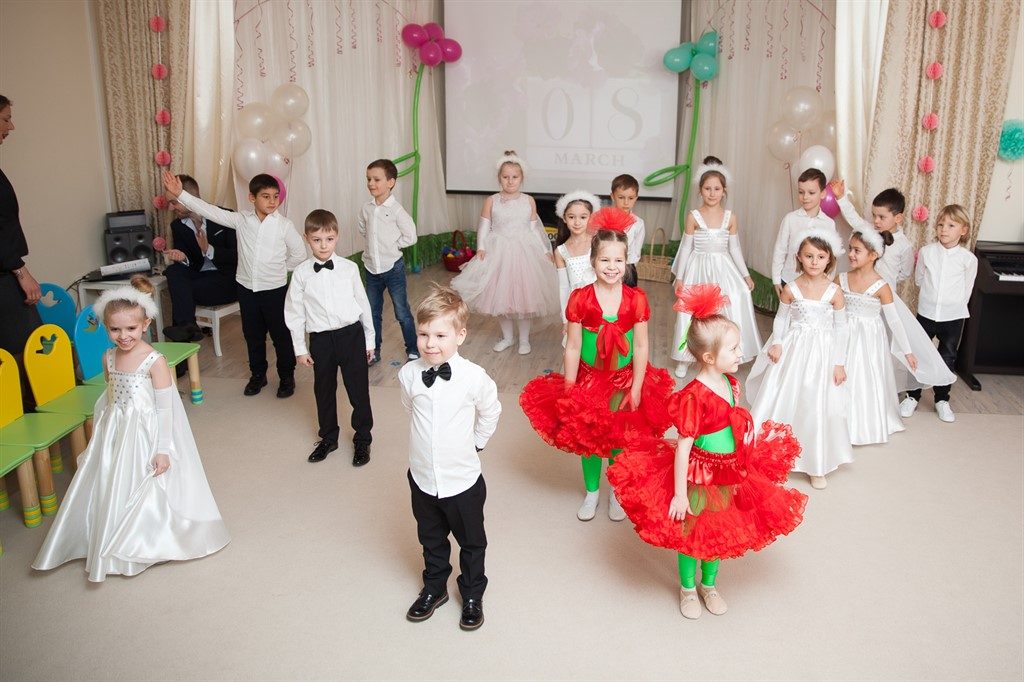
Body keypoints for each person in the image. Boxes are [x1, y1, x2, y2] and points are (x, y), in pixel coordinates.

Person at [609, 284, 807, 619]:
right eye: (733, 348)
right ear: (709, 358)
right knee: (692, 532)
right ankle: (688, 588)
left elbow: (733, 425)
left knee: (718, 529)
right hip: (698, 475)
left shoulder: (731, 383)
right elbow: (683, 448)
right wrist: (679, 494)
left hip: (728, 469)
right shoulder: (693, 396)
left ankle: (709, 584)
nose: (741, 353)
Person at [32, 275, 229, 582]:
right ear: (106, 327)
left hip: (145, 432)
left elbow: (165, 407)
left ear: (145, 324)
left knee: (146, 483)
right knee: (112, 479)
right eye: (115, 329)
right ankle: (107, 531)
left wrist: (163, 448)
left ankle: (146, 539)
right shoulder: (108, 357)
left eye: (131, 329)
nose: (123, 336)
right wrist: (103, 432)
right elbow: (110, 395)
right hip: (117, 430)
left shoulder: (154, 361)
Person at [520, 227, 674, 522]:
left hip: (624, 380)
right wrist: (569, 384)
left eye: (618, 260)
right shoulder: (580, 298)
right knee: (589, 439)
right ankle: (592, 492)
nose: (611, 267)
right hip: (589, 380)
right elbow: (574, 345)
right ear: (593, 261)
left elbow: (641, 346)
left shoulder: (636, 299)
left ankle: (615, 492)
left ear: (627, 262)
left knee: (619, 438)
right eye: (605, 260)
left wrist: (637, 387)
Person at [399, 285, 501, 631]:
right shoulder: (409, 374)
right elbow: (410, 408)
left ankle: (471, 594)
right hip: (422, 478)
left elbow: (491, 410)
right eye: (424, 334)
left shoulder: (473, 377)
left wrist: (477, 444)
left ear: (460, 335)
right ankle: (434, 587)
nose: (430, 343)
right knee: (430, 539)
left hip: (462, 482)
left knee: (472, 543)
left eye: (440, 335)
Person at [163, 170, 305, 398]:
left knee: (281, 336)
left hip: (275, 290)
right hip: (247, 289)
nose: (272, 201)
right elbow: (208, 210)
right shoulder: (241, 220)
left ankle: (287, 376)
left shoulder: (284, 226)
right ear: (252, 198)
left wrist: (278, 270)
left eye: (275, 196)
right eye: (266, 196)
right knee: (253, 335)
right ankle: (258, 375)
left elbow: (299, 254)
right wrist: (181, 195)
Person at [746, 229, 852, 489]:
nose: (814, 262)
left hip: (823, 353)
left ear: (829, 260)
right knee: (786, 395)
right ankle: (772, 453)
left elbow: (841, 329)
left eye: (820, 257)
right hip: (794, 349)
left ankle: (816, 463)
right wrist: (778, 343)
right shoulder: (791, 289)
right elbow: (781, 319)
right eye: (809, 256)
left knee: (816, 402)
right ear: (799, 257)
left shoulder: (835, 292)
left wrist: (839, 362)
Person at [839, 229, 957, 445]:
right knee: (842, 374)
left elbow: (894, 321)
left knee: (864, 376)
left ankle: (863, 422)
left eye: (857, 250)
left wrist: (908, 351)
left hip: (868, 340)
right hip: (843, 335)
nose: (851, 254)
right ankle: (838, 421)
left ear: (873, 255)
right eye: (850, 249)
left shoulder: (881, 286)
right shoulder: (842, 279)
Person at [285, 210, 374, 466]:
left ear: (337, 237)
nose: (323, 245)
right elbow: (294, 312)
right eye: (317, 240)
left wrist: (369, 340)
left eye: (329, 239)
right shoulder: (301, 273)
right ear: (306, 239)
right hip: (321, 340)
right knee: (323, 390)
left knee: (358, 390)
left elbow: (363, 304)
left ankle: (363, 439)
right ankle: (328, 437)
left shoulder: (349, 268)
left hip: (351, 336)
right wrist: (300, 348)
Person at [451, 151, 558, 355]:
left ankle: (524, 340)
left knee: (525, 300)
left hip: (524, 252)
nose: (510, 181)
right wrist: (481, 247)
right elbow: (484, 225)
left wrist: (545, 250)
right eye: (505, 176)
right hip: (499, 251)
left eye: (514, 177)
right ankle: (508, 338)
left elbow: (534, 229)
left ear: (521, 178)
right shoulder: (492, 200)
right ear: (499, 178)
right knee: (501, 299)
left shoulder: (528, 200)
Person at [669, 156, 760, 378]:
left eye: (717, 189)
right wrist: (680, 277)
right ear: (700, 190)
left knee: (731, 301)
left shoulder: (730, 217)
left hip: (723, 267)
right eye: (707, 189)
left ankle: (726, 356)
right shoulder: (694, 216)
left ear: (724, 191)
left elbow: (734, 248)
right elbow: (686, 247)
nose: (712, 193)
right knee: (693, 311)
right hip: (698, 267)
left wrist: (745, 275)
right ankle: (686, 356)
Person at [900, 205, 978, 423]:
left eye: (951, 225)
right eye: (941, 224)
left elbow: (967, 290)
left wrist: (952, 306)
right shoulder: (927, 252)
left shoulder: (968, 259)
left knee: (947, 356)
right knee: (918, 353)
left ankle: (942, 399)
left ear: (963, 230)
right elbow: (919, 279)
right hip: (926, 313)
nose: (944, 229)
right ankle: (912, 396)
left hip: (953, 317)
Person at [162, 174, 238, 343]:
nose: (171, 208)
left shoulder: (224, 216)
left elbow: (238, 256)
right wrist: (183, 257)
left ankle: (184, 336)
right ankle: (187, 328)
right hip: (199, 279)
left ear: (189, 198)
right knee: (174, 271)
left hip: (226, 281)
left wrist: (208, 250)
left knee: (181, 292)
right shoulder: (177, 226)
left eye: (174, 202)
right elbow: (188, 262)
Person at [359, 158, 418, 365]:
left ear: (390, 182)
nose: (371, 183)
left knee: (402, 312)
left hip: (393, 269)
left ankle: (413, 349)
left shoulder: (397, 210)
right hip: (371, 269)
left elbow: (411, 236)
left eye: (376, 179)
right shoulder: (366, 208)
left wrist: (393, 246)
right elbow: (363, 229)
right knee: (372, 313)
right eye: (368, 179)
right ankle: (373, 351)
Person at [0, 94, 44, 371]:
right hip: (5, 272)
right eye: (6, 119)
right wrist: (20, 270)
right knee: (28, 349)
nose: (11, 127)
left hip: (7, 268)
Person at [831, 179, 913, 290]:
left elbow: (905, 273)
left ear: (897, 218)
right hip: (863, 289)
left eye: (882, 217)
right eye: (874, 215)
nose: (876, 221)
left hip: (886, 291)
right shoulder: (869, 231)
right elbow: (853, 217)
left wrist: (890, 279)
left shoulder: (904, 245)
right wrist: (840, 197)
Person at [770, 167, 839, 294]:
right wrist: (776, 279)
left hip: (816, 284)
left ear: (823, 193)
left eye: (811, 193)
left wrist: (828, 281)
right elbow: (780, 249)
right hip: (789, 279)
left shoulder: (829, 224)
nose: (805, 197)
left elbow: (832, 255)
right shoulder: (790, 219)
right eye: (801, 192)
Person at [553, 190, 599, 346]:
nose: (577, 222)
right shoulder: (561, 252)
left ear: (590, 218)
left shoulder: (597, 243)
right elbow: (563, 287)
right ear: (564, 218)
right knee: (575, 346)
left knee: (598, 345)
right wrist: (565, 320)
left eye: (583, 217)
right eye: (572, 217)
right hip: (576, 307)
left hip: (599, 301)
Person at [609, 174, 645, 287]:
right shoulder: (605, 218)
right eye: (621, 197)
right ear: (612, 196)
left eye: (630, 198)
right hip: (607, 267)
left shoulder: (638, 223)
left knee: (627, 295)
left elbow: (637, 249)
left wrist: (630, 266)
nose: (626, 202)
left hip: (628, 267)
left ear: (636, 198)